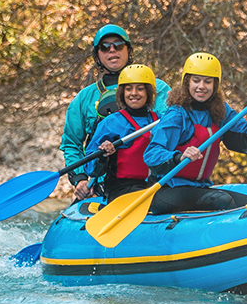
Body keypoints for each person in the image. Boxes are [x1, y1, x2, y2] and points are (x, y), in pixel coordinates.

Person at [143, 52, 247, 213]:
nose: (201, 86)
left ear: (215, 85)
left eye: (208, 81)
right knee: (222, 200)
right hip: (166, 190)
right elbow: (152, 155)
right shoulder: (177, 114)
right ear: (187, 82)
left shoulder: (221, 112)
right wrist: (179, 156)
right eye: (196, 80)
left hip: (200, 187)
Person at [60, 23, 169, 198]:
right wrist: (80, 178)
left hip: (152, 179)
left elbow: (172, 129)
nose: (112, 50)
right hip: (103, 184)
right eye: (105, 47)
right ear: (97, 55)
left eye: (118, 45)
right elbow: (72, 144)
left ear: (128, 50)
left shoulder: (158, 89)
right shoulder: (83, 99)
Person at [81, 65, 161, 201]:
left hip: (156, 185)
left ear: (148, 92)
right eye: (128, 89)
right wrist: (103, 155)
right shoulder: (110, 123)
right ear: (122, 93)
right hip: (123, 189)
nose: (134, 93)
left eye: (140, 88)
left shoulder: (160, 120)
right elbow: (91, 169)